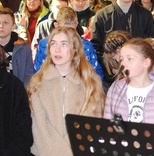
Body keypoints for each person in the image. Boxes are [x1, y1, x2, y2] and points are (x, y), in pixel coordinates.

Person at [27, 27, 105, 156]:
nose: (57, 49)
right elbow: (39, 126)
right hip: (45, 151)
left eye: (64, 44)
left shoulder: (90, 83)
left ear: (75, 49)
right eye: (53, 44)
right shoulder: (37, 83)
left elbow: (91, 123)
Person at [103, 38, 154, 126]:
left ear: (146, 63)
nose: (123, 64)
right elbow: (108, 125)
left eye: (129, 59)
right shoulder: (115, 89)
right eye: (122, 59)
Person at [33, 6, 103, 80]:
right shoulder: (45, 45)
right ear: (56, 25)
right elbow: (37, 72)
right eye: (63, 29)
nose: (67, 34)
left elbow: (97, 73)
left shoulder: (86, 46)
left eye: (71, 30)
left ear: (76, 25)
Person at [0, 7, 34, 86]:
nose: (1, 26)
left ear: (13, 26)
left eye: (6, 23)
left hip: (16, 94)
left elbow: (28, 77)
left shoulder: (23, 49)